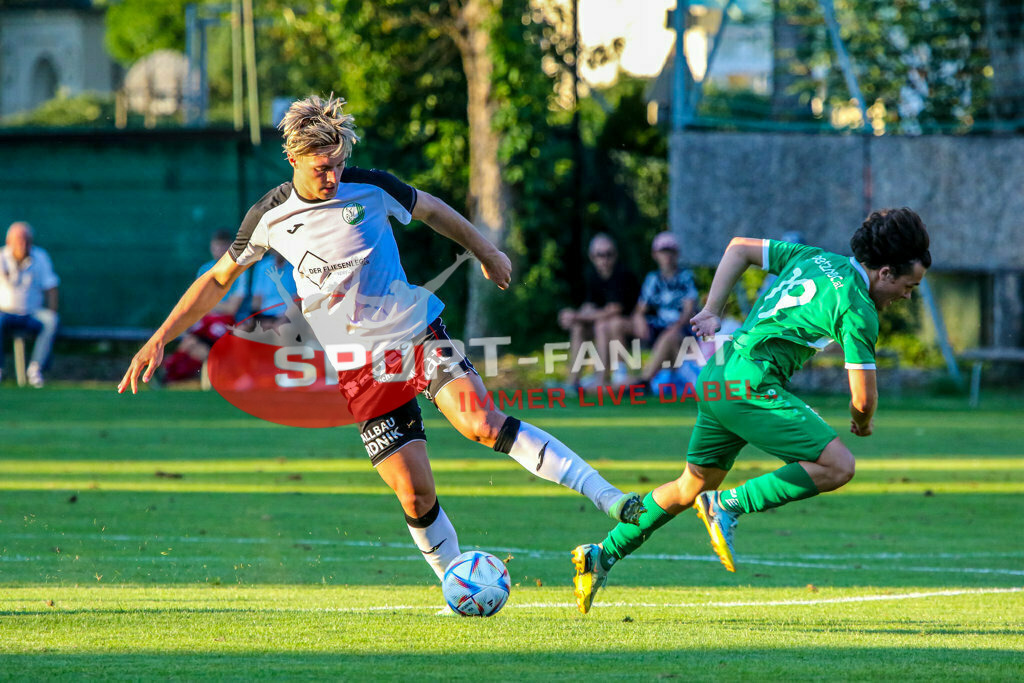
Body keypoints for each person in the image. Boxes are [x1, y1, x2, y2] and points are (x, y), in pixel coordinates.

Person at [118, 94, 644, 587]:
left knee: (481, 424)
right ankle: (456, 584)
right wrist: (161, 337)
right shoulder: (270, 217)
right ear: (294, 161)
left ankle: (609, 498)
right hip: (359, 367)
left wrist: (486, 251)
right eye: (322, 168)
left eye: (339, 164)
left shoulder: (370, 187)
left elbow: (433, 210)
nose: (333, 176)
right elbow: (217, 279)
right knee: (415, 494)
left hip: (414, 333)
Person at [571, 207, 931, 614]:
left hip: (720, 375)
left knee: (689, 486)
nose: (908, 294)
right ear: (884, 272)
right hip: (752, 385)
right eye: (908, 284)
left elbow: (739, 249)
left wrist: (712, 309)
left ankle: (600, 554)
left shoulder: (813, 257)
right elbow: (863, 400)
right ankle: (727, 505)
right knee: (838, 465)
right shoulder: (858, 308)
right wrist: (861, 424)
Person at [162, 230, 251, 383]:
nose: (220, 250)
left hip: (230, 321)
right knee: (188, 342)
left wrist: (208, 306)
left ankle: (233, 377)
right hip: (207, 319)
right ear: (211, 247)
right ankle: (167, 374)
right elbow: (197, 303)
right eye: (217, 246)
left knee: (206, 346)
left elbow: (231, 309)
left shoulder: (240, 270)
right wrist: (210, 307)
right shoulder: (205, 269)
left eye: (224, 246)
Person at [557, 234, 640, 388]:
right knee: (579, 327)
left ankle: (601, 379)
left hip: (629, 325)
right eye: (600, 255)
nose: (604, 259)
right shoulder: (592, 275)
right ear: (592, 256)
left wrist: (577, 316)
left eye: (609, 254)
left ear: (615, 254)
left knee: (603, 325)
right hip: (608, 323)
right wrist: (572, 317)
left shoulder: (622, 274)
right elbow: (589, 307)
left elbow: (614, 310)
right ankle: (572, 381)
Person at [626, 231, 699, 390]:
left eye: (670, 251)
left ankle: (644, 380)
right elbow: (640, 308)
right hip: (659, 327)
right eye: (663, 251)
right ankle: (620, 374)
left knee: (669, 336)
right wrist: (638, 319)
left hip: (683, 331)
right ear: (655, 254)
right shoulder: (653, 279)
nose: (667, 256)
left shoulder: (686, 277)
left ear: (677, 254)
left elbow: (689, 311)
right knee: (616, 325)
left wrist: (676, 327)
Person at [0, 222, 60, 387]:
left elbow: (51, 287)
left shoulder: (40, 257)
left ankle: (36, 369)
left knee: (51, 320)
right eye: (18, 239)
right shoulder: (1, 257)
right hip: (5, 313)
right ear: (9, 241)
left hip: (32, 314)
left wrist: (52, 311)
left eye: (26, 240)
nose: (22, 243)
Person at [246, 249, 298, 332]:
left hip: (286, 317)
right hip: (265, 316)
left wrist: (283, 319)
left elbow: (297, 301)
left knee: (281, 329)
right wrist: (256, 320)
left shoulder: (295, 268)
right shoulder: (262, 266)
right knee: (241, 331)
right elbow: (257, 299)